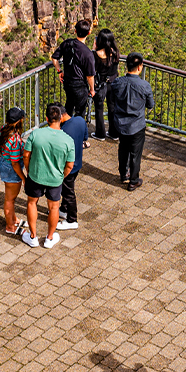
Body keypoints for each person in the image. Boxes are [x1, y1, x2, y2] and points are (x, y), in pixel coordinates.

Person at [22, 103, 75, 248]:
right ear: (61, 118)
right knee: (54, 207)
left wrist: (29, 170)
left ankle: (32, 236)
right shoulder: (68, 140)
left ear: (46, 118)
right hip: (55, 179)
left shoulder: (36, 134)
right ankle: (49, 238)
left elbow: (26, 155)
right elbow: (70, 165)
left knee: (32, 203)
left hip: (35, 175)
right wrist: (62, 176)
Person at [105, 52, 155, 190]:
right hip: (137, 125)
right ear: (140, 67)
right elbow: (150, 104)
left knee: (123, 149)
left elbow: (112, 100)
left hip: (121, 124)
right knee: (135, 153)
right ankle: (133, 180)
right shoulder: (144, 85)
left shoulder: (117, 83)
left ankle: (123, 174)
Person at [52, 20, 96, 121]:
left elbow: (54, 58)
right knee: (80, 112)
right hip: (80, 85)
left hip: (67, 82)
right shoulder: (88, 53)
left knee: (68, 107)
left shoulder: (67, 43)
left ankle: (66, 127)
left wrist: (59, 71)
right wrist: (92, 89)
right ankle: (78, 129)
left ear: (75, 31)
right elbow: (90, 76)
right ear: (89, 33)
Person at [0, 107, 28, 237]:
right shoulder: (14, 139)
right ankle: (10, 226)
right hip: (11, 169)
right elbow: (15, 163)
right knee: (10, 199)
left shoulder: (4, 129)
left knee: (11, 198)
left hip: (4, 163)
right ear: (18, 121)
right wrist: (24, 178)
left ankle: (14, 219)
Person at [58, 103, 90, 231]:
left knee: (68, 193)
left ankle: (72, 219)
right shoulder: (80, 120)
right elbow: (85, 138)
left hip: (68, 167)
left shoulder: (63, 132)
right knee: (67, 189)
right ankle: (64, 209)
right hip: (78, 163)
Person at [92, 30, 121, 140]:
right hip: (113, 83)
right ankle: (114, 133)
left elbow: (92, 71)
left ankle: (100, 133)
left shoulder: (96, 55)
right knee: (112, 107)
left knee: (99, 108)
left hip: (100, 85)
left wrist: (94, 49)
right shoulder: (115, 53)